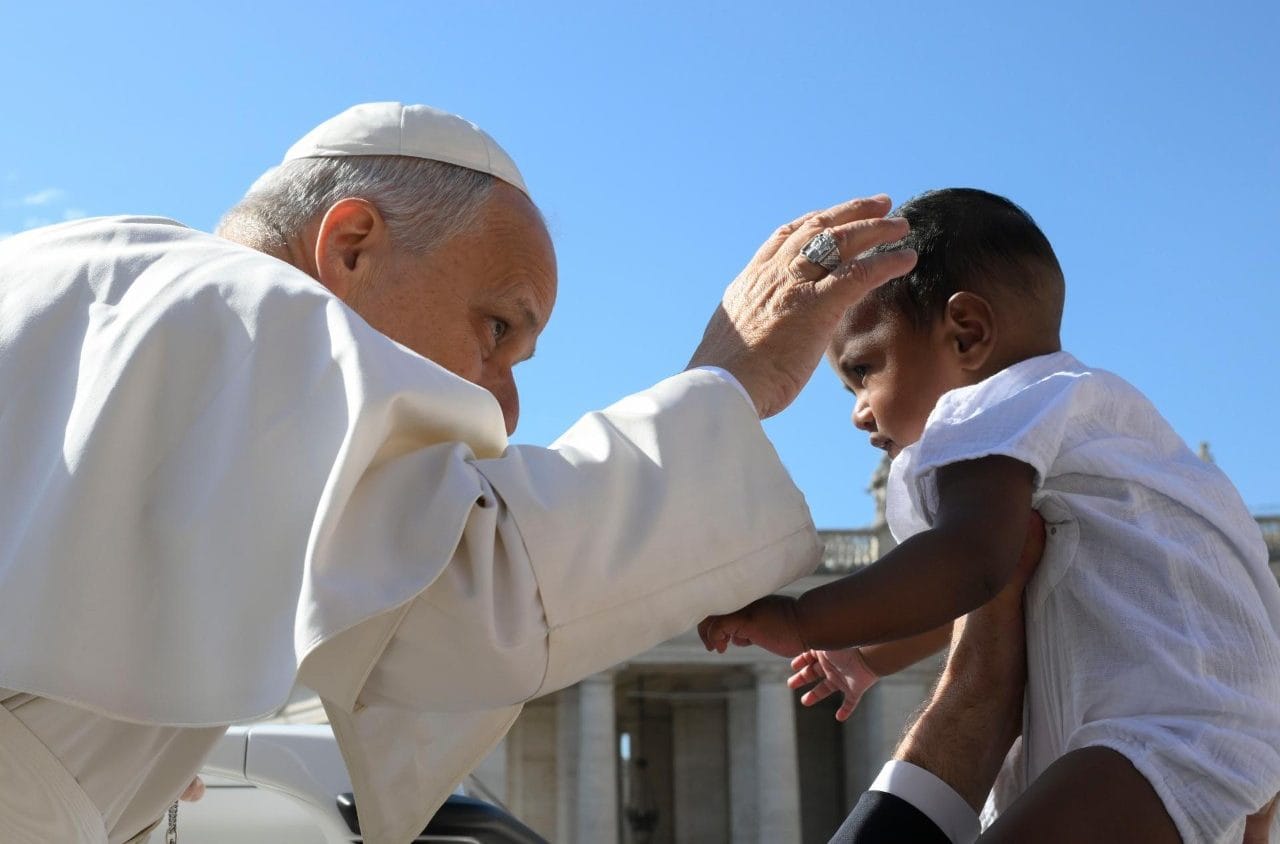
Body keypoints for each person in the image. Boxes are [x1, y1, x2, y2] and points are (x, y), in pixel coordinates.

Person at [0, 102, 918, 844]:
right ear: (350, 246)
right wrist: (733, 382)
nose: (506, 404)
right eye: (496, 330)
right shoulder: (255, 309)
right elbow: (469, 601)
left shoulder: (85, 280)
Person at [699, 188, 1280, 842]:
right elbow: (963, 591)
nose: (859, 410)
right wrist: (865, 656)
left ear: (966, 334)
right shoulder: (1100, 424)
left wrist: (804, 617)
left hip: (1153, 744)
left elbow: (968, 566)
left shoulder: (994, 412)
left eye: (864, 371)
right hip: (1205, 736)